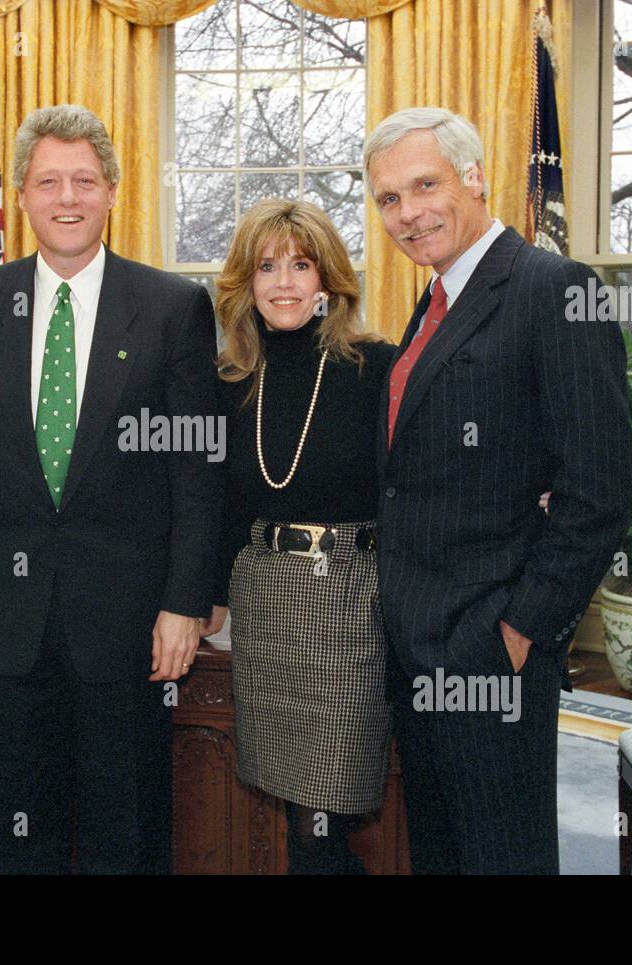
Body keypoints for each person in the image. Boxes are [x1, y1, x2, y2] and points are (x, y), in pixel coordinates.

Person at [0, 104, 222, 874]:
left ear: (112, 191)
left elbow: (198, 475)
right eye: (50, 181)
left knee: (123, 832)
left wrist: (186, 602)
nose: (68, 197)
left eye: (85, 181)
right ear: (19, 195)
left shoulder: (173, 308)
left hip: (130, 625)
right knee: (17, 832)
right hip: (4, 617)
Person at [365, 107, 632, 874]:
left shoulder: (552, 289)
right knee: (445, 857)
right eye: (389, 199)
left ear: (475, 177)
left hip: (489, 649)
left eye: (425, 185)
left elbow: (601, 488)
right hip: (415, 647)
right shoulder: (435, 299)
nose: (409, 212)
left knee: (502, 858)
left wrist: (521, 630)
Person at [201, 199, 394, 874]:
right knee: (295, 808)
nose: (284, 282)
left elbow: (409, 491)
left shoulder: (378, 367)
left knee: (324, 818)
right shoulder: (227, 378)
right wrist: (210, 594)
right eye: (267, 266)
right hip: (264, 598)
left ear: (327, 280)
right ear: (245, 282)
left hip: (348, 601)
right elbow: (220, 500)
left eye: (301, 264)